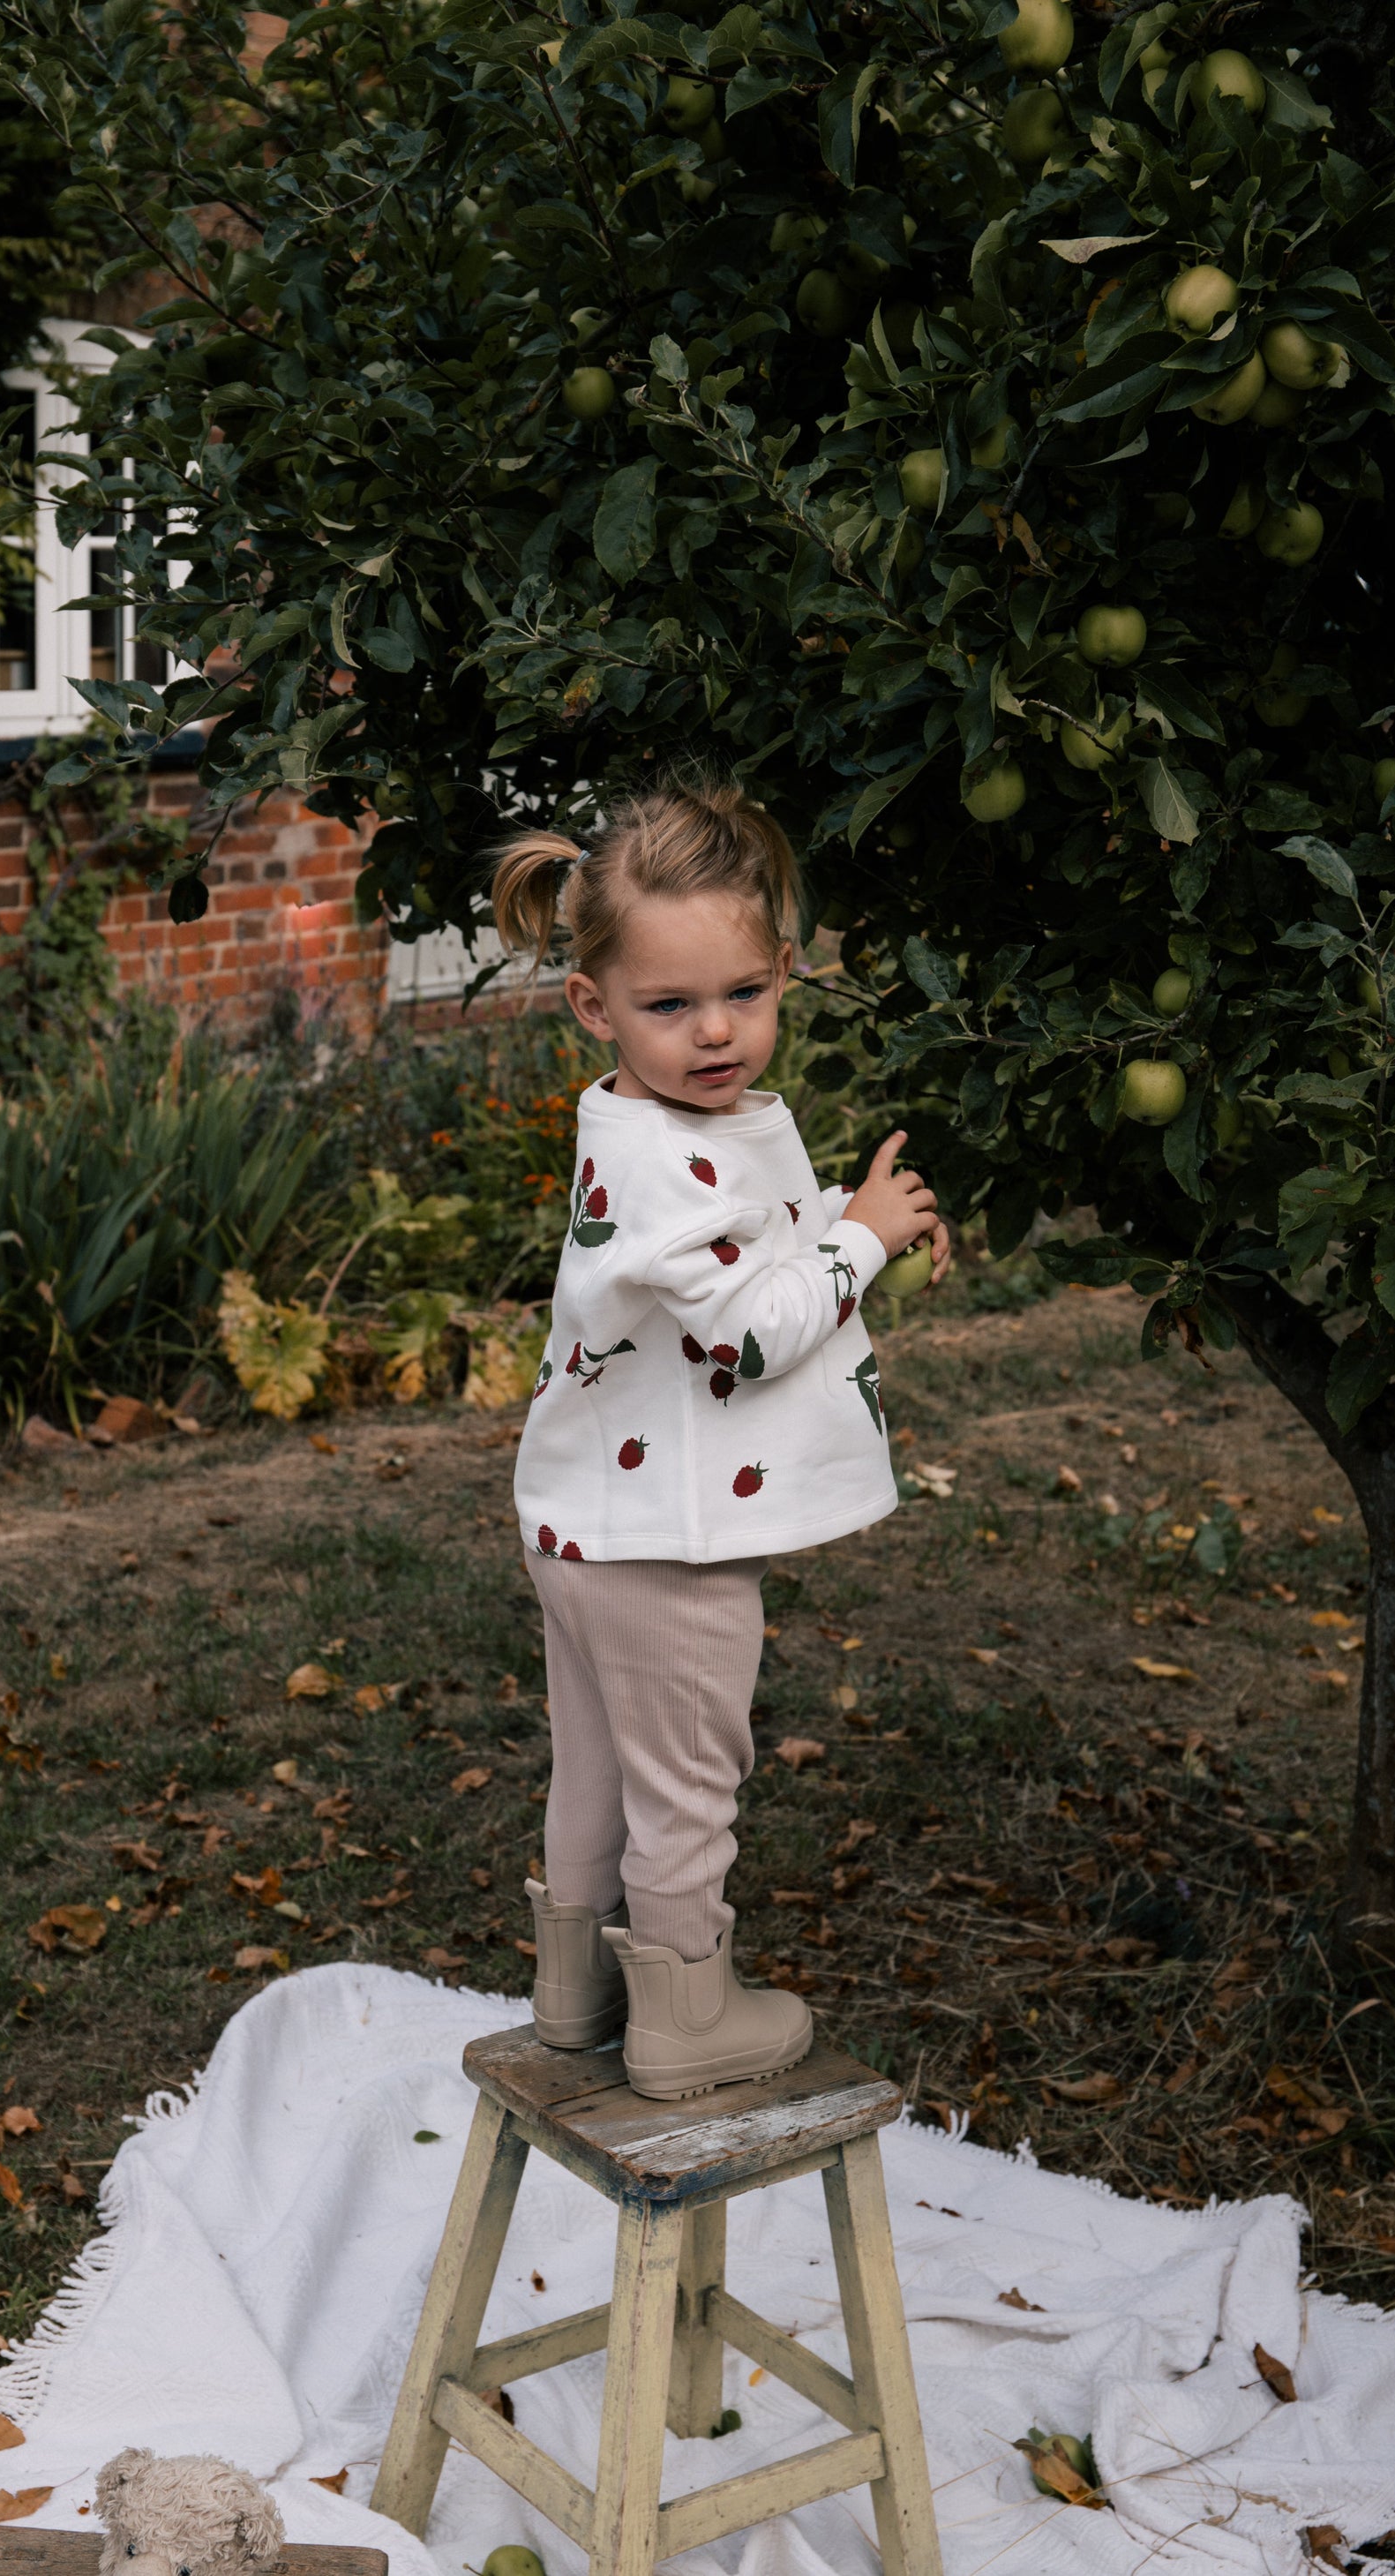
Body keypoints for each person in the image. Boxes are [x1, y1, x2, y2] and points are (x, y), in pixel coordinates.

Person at [490, 777, 949, 2100]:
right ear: (594, 1005)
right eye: (669, 1006)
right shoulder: (657, 1153)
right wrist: (862, 1236)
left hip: (591, 1520)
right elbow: (743, 1333)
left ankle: (575, 1994)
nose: (714, 1033)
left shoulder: (653, 1122)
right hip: (665, 1543)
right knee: (689, 1778)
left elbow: (741, 1241)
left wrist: (857, 1224)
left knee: (595, 1765)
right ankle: (684, 2015)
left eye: (742, 995)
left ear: (786, 973)